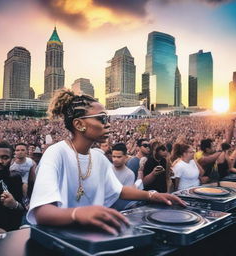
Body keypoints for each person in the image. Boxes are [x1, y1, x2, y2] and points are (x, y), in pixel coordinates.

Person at [27, 89, 185, 235]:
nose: (108, 123)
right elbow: (41, 212)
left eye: (107, 118)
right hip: (61, 239)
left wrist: (152, 195)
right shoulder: (56, 153)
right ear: (79, 124)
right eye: (102, 118)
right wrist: (77, 213)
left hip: (92, 237)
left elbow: (119, 190)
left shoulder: (98, 157)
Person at [0, 141, 25, 234]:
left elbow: (22, 209)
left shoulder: (15, 178)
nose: (0, 161)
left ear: (12, 159)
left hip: (10, 235)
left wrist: (14, 205)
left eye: (5, 158)